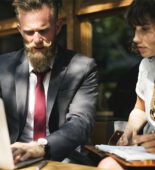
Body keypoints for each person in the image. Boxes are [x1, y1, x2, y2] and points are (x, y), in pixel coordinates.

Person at [0, 0, 98, 163]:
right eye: (29, 32)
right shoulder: (3, 67)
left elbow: (81, 123)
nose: (37, 39)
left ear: (58, 26)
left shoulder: (83, 68)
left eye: (43, 31)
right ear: (20, 30)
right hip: (16, 157)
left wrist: (41, 147)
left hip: (63, 156)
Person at [98, 0, 155, 169]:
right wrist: (129, 132)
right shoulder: (147, 66)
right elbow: (140, 108)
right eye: (135, 29)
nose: (136, 38)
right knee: (108, 165)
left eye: (145, 29)